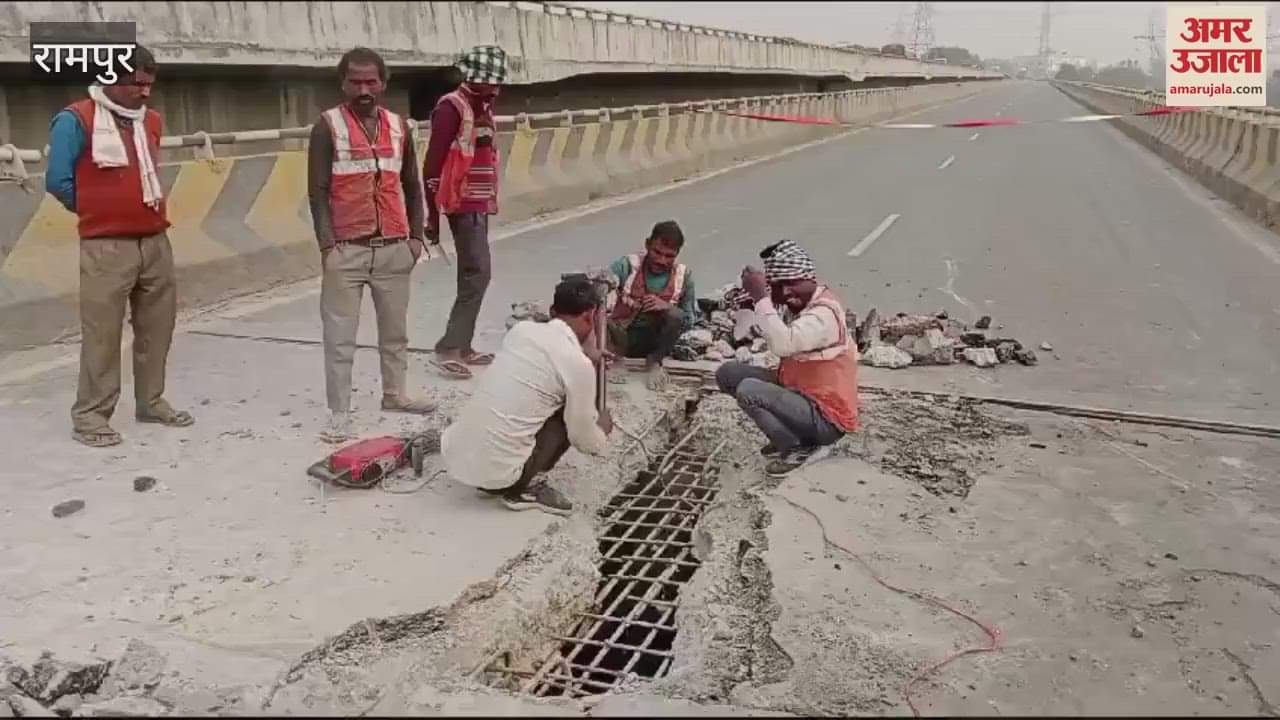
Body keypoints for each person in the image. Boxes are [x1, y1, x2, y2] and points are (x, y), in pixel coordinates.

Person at [44, 45, 194, 448]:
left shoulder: (152, 121)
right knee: (102, 335)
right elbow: (57, 180)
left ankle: (152, 401)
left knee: (157, 329)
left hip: (155, 241)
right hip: (106, 246)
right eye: (135, 84)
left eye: (149, 84)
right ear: (110, 78)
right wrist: (100, 209)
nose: (144, 93)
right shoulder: (75, 119)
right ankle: (91, 416)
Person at [308, 47, 435, 443]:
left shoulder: (400, 126)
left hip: (395, 246)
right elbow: (318, 192)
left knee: (395, 332)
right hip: (347, 249)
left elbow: (412, 186)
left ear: (383, 83)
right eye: (355, 81)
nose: (364, 89)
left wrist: (416, 237)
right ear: (343, 83)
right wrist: (328, 247)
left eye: (371, 81)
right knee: (340, 336)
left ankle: (395, 394)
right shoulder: (327, 126)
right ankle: (339, 412)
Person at [441, 276, 614, 516]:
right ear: (590, 315)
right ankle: (523, 489)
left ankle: (495, 477)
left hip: (457, 459)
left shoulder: (521, 332)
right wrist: (602, 429)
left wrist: (585, 351)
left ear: (553, 311)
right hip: (501, 474)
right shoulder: (578, 365)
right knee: (571, 413)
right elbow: (585, 441)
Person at [715, 239, 859, 478]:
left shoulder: (824, 315)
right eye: (780, 287)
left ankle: (800, 448)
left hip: (826, 416)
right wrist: (755, 293)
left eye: (793, 284)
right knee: (728, 374)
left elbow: (783, 344)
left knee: (749, 390)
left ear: (810, 278)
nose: (788, 293)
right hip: (801, 393)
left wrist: (761, 296)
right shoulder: (800, 304)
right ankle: (792, 434)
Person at [423, 45, 509, 380]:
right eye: (490, 82)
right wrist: (432, 218)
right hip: (462, 204)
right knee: (478, 273)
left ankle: (463, 345)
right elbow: (431, 167)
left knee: (471, 275)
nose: (496, 88)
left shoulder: (482, 105)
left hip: (479, 203)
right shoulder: (451, 108)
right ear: (473, 78)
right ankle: (449, 346)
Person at [606, 220, 697, 390]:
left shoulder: (683, 276)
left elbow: (689, 319)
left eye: (669, 256)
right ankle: (615, 360)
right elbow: (602, 286)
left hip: (652, 340)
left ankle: (654, 363)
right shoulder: (627, 266)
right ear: (647, 245)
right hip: (620, 335)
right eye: (657, 252)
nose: (662, 261)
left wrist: (667, 307)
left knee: (675, 316)